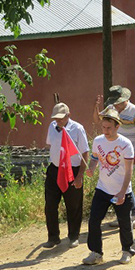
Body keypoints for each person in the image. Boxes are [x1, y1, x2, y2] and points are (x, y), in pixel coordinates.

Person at [83, 107, 135, 265]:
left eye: (109, 128)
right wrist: (92, 168)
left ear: (117, 127)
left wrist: (121, 193)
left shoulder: (125, 144)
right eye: (103, 127)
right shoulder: (98, 141)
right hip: (102, 188)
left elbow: (128, 171)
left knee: (124, 222)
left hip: (121, 190)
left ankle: (127, 250)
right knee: (94, 220)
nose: (105, 131)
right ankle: (96, 253)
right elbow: (94, 158)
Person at [93, 85, 135, 226]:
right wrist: (96, 108)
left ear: (125, 99)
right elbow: (98, 120)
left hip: (127, 151)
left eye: (117, 101)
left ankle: (133, 211)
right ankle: (126, 212)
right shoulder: (111, 108)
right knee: (121, 180)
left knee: (125, 179)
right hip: (112, 150)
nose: (115, 104)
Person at [42, 103, 89, 249]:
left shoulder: (77, 129)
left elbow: (85, 152)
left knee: (73, 205)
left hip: (72, 170)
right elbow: (51, 144)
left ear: (68, 115)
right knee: (50, 204)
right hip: (55, 169)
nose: (58, 121)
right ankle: (53, 237)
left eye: (61, 118)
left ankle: (74, 236)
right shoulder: (52, 127)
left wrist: (80, 175)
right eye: (56, 118)